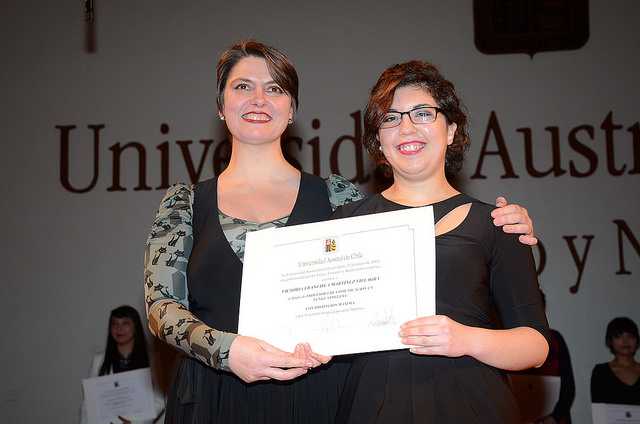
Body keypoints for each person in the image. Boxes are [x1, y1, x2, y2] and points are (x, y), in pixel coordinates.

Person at [143, 41, 539, 424]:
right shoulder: (186, 203)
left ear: (292, 108)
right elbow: (161, 307)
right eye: (243, 86)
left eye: (275, 88)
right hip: (214, 396)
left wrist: (506, 224)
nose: (259, 99)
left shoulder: (339, 200)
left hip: (317, 395)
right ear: (220, 105)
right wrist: (227, 351)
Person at [331, 60, 550, 423]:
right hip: (370, 407)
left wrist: (464, 339)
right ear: (379, 140)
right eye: (390, 118)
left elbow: (536, 346)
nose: (406, 127)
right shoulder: (345, 224)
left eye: (422, 113)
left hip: (472, 406)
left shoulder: (497, 223)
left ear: (450, 130)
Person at [80, 305, 165, 424]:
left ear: (136, 327)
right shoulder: (99, 360)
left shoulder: (152, 360)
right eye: (114, 324)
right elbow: (89, 402)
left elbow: (160, 400)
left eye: (125, 323)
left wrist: (134, 422)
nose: (119, 328)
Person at [591, 317, 640, 405]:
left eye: (630, 336)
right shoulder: (601, 372)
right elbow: (599, 408)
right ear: (610, 341)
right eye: (619, 336)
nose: (625, 341)